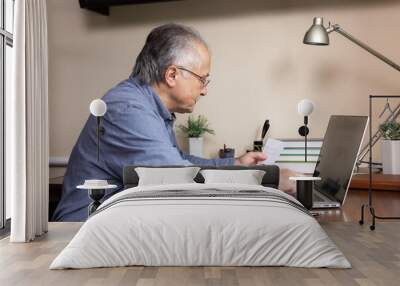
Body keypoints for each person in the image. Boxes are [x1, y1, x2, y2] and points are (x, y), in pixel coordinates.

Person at [52, 23, 266, 222]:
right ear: (172, 74)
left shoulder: (147, 106)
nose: (204, 90)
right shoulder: (127, 110)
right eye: (202, 79)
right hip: (79, 232)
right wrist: (258, 179)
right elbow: (178, 179)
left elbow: (179, 160)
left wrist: (236, 164)